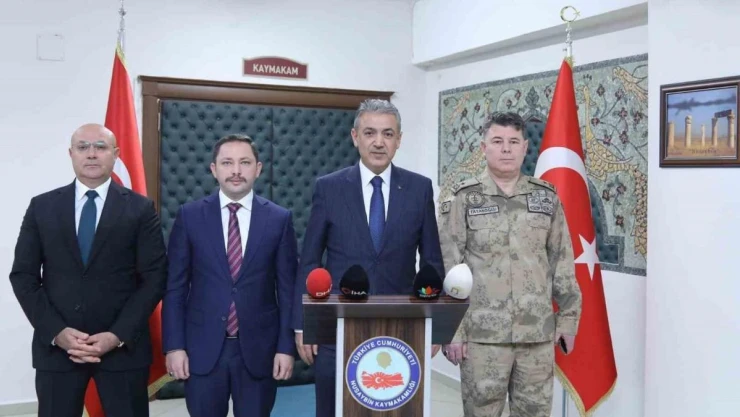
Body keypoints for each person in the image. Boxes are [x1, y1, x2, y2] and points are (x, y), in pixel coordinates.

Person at [291, 98, 445, 417]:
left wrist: (436, 325)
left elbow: (431, 260)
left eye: (388, 134)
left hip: (401, 327)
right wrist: (303, 323)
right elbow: (309, 261)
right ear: (355, 137)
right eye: (370, 132)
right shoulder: (328, 188)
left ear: (399, 139)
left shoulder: (419, 188)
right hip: (337, 327)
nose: (378, 142)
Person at [9, 123, 167, 417]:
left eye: (100, 147)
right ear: (71, 154)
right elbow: (23, 276)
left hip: (122, 351)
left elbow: (154, 278)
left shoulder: (141, 209)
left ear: (115, 154)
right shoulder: (42, 207)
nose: (91, 154)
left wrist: (116, 335)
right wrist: (56, 331)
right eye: (83, 147)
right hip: (58, 350)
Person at [438, 112, 582, 417]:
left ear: (525, 147)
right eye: (497, 141)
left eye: (514, 142)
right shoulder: (464, 198)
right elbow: (448, 266)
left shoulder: (546, 198)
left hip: (536, 336)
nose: (506, 149)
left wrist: (568, 320)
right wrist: (453, 331)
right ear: (484, 147)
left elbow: (562, 261)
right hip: (482, 338)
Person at [162, 134, 297, 417]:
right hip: (202, 350)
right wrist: (174, 346)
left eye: (244, 162)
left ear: (258, 169)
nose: (236, 170)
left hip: (259, 351)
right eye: (227, 163)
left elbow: (288, 292)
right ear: (214, 169)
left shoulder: (279, 219)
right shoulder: (190, 216)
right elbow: (174, 289)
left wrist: (286, 348)